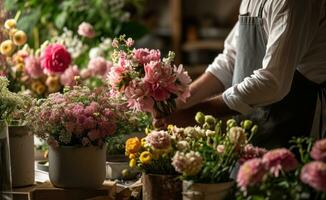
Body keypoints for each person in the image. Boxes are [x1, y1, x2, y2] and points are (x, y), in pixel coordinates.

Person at [154, 0, 326, 148]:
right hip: (255, 119)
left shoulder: (294, 3)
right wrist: (180, 103)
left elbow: (272, 83)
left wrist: (195, 114)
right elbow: (230, 60)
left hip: (298, 116)